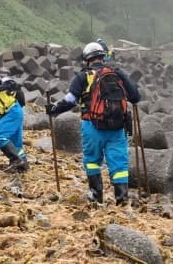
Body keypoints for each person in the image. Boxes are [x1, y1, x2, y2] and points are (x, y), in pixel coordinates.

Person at [45, 42, 140, 205]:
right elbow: (135, 97)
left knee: (92, 160)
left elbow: (70, 100)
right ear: (103, 57)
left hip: (92, 126)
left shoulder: (83, 76)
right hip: (118, 127)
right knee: (119, 164)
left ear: (87, 59)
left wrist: (54, 109)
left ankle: (96, 197)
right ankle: (122, 200)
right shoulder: (117, 74)